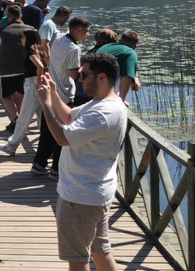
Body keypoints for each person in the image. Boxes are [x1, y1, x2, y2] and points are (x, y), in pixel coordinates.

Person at [36, 53, 126, 271]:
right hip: (96, 192)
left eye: (84, 74)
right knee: (100, 251)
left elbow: (62, 137)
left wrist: (46, 103)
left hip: (80, 197)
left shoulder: (102, 113)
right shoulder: (107, 104)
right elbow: (68, 117)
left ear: (102, 77)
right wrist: (55, 95)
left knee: (77, 259)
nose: (79, 78)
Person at [32, 16, 91, 180]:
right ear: (78, 30)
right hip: (64, 95)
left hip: (50, 91)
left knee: (46, 131)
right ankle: (56, 169)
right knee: (62, 132)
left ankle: (39, 164)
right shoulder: (74, 49)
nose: (87, 35)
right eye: (86, 32)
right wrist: (85, 68)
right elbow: (73, 75)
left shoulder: (57, 38)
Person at [0, 29, 48, 157]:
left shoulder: (31, 51)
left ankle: (12, 146)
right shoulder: (41, 51)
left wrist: (36, 83)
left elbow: (40, 66)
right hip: (40, 86)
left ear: (29, 39)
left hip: (32, 86)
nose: (21, 40)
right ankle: (48, 146)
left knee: (23, 117)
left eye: (23, 37)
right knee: (42, 119)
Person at [0, 5, 33, 133]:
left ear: (8, 16)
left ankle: (16, 119)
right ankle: (19, 123)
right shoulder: (31, 29)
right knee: (19, 96)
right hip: (25, 68)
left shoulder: (2, 30)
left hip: (6, 68)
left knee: (5, 96)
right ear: (21, 16)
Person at [97, 30, 141, 107]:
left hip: (83, 90)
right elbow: (126, 77)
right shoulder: (131, 52)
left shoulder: (106, 46)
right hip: (99, 97)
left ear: (120, 40)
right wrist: (121, 100)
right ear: (135, 47)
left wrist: (134, 77)